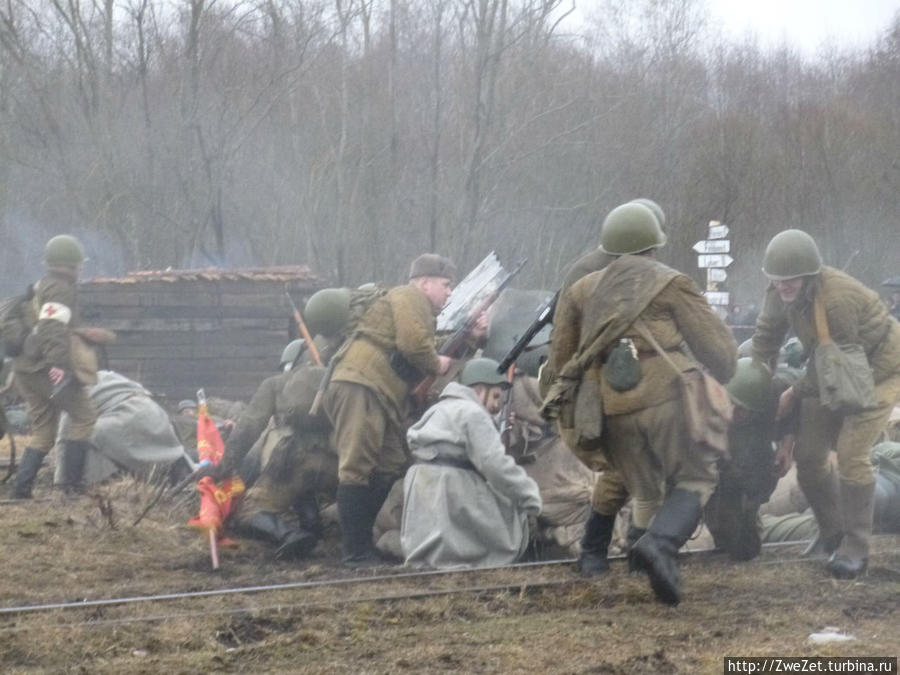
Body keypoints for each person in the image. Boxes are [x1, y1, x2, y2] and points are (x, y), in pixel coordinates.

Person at [548, 202, 736, 604]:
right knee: (698, 476)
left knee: (642, 486)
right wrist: (719, 376)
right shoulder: (671, 282)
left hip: (611, 409)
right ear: (655, 245)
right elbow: (719, 349)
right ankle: (659, 546)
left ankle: (634, 562)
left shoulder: (581, 289)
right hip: (667, 400)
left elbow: (562, 357)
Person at [751, 229, 900, 579]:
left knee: (851, 453)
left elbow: (842, 365)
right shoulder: (777, 295)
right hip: (829, 366)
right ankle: (832, 534)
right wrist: (757, 385)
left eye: (792, 280)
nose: (784, 287)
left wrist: (792, 392)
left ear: (810, 275)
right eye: (778, 280)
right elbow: (765, 340)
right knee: (810, 457)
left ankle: (856, 547)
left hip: (878, 370)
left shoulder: (838, 299)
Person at [552, 199, 667, 577]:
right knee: (626, 464)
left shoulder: (636, 272)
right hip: (601, 383)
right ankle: (608, 548)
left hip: (635, 381)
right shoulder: (588, 275)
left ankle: (624, 547)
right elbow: (569, 340)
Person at [323, 254, 456, 565]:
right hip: (362, 384)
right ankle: (355, 552)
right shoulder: (409, 296)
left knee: (390, 462)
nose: (450, 292)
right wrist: (438, 363)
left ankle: (361, 540)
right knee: (356, 467)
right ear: (425, 283)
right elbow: (413, 343)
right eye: (446, 285)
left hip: (378, 391)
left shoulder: (414, 306)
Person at [401, 358, 542, 568]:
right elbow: (496, 465)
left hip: (423, 483)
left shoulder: (440, 408)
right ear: (479, 390)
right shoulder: (473, 412)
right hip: (450, 487)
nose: (497, 405)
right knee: (508, 508)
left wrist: (493, 426)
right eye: (495, 396)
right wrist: (529, 496)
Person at [12, 235, 98, 498]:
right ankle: (72, 488)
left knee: (43, 433)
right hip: (45, 368)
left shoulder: (40, 286)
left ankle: (21, 490)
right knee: (85, 417)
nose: (81, 269)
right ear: (71, 264)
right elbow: (52, 328)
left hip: (25, 369)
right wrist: (58, 364)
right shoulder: (60, 288)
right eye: (79, 264)